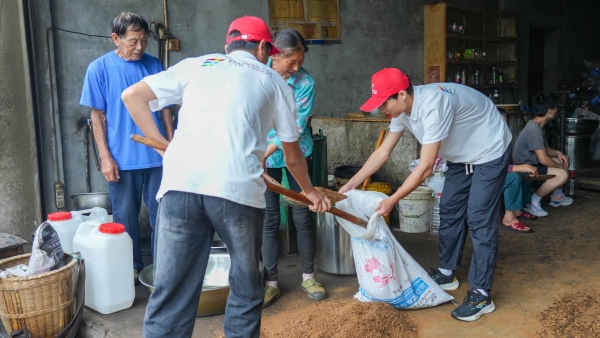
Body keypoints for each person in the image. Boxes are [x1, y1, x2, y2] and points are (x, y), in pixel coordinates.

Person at [121, 16, 331, 338]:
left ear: (227, 46)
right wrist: (310, 192)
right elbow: (292, 154)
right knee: (246, 288)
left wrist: (166, 148)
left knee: (170, 292)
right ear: (263, 47)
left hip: (179, 187)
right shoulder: (273, 80)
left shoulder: (197, 65)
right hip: (237, 192)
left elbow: (132, 96)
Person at [339, 68, 512, 322]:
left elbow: (425, 168)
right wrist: (350, 185)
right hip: (461, 155)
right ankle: (446, 273)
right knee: (450, 209)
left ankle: (481, 293)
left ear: (401, 94)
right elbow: (382, 153)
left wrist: (392, 200)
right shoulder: (402, 110)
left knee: (478, 217)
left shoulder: (433, 105)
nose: (382, 109)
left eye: (385, 102)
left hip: (490, 150)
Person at [79, 12, 174, 281]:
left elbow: (165, 108)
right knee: (125, 219)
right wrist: (105, 157)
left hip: (157, 156)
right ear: (116, 39)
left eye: (144, 41)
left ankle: (162, 271)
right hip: (122, 158)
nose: (140, 47)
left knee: (163, 217)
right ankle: (131, 270)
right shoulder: (99, 68)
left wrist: (170, 145)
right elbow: (96, 117)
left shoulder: (154, 65)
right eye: (133, 41)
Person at [261, 28, 324, 308]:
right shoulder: (258, 74)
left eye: (300, 61)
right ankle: (270, 282)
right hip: (262, 156)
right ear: (276, 55)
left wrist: (268, 149)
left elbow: (297, 126)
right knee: (269, 218)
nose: (297, 68)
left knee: (302, 214)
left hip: (297, 153)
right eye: (292, 62)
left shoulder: (305, 82)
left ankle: (309, 276)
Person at [512, 91, 572, 217]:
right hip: (526, 166)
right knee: (562, 174)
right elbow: (544, 160)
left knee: (564, 160)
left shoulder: (538, 125)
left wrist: (558, 153)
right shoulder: (534, 130)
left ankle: (557, 197)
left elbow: (544, 148)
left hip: (533, 162)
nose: (556, 110)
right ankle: (533, 202)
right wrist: (560, 168)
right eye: (555, 108)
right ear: (550, 110)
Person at [498, 109, 539, 233]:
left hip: (499, 174)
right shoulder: (486, 140)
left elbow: (507, 164)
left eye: (505, 124)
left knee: (525, 174)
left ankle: (518, 209)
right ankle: (509, 218)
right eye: (500, 124)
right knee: (513, 178)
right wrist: (521, 167)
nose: (503, 128)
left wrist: (523, 168)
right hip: (485, 178)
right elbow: (494, 167)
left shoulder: (505, 140)